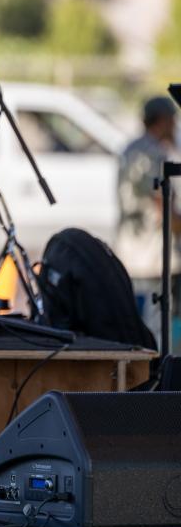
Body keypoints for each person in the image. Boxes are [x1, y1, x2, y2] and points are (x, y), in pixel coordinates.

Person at [115, 94, 181, 344]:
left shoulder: (131, 149)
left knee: (135, 327)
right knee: (154, 331)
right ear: (163, 120)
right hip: (152, 255)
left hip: (131, 251)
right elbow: (163, 206)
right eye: (173, 120)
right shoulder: (154, 154)